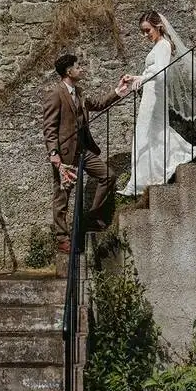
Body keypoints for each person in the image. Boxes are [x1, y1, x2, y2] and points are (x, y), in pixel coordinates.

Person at [118, 11, 196, 196]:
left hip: (156, 95)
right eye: (142, 32)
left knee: (146, 133)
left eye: (147, 30)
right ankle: (145, 179)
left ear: (158, 26)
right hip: (151, 93)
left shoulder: (164, 45)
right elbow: (153, 70)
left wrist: (142, 79)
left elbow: (161, 71)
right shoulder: (158, 45)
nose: (145, 35)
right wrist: (136, 77)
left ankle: (141, 182)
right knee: (151, 133)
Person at [43, 53, 130, 253]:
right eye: (78, 66)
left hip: (84, 151)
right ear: (68, 71)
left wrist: (118, 91)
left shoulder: (79, 93)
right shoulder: (56, 94)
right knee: (62, 197)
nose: (81, 68)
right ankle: (62, 238)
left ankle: (90, 217)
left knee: (108, 175)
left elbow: (98, 104)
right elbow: (49, 127)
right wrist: (53, 153)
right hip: (65, 155)